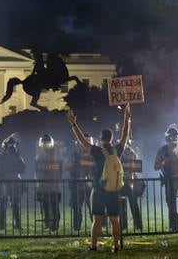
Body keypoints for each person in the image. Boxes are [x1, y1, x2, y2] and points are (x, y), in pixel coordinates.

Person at [67, 104, 131, 253]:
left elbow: (82, 140)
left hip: (99, 189)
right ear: (111, 138)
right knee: (114, 219)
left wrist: (73, 124)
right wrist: (127, 119)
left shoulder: (96, 151)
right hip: (114, 190)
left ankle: (93, 246)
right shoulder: (117, 151)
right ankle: (116, 247)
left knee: (97, 220)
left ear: (101, 139)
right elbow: (125, 136)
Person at [0, 133, 26, 230]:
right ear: (5, 147)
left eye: (14, 145)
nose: (12, 147)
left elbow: (23, 168)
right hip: (3, 183)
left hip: (14, 183)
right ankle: (1, 225)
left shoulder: (17, 156)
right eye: (10, 146)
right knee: (2, 204)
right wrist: (2, 171)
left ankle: (17, 225)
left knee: (15, 204)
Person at [34, 134, 63, 232]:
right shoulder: (39, 157)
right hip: (43, 186)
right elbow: (37, 172)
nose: (45, 146)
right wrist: (37, 186)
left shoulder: (56, 155)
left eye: (47, 143)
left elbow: (59, 171)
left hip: (54, 186)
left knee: (55, 206)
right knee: (45, 206)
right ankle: (47, 223)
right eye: (44, 144)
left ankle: (55, 224)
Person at [67, 135, 94, 231]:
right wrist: (76, 174)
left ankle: (96, 226)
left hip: (90, 185)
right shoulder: (75, 154)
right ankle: (77, 227)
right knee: (77, 207)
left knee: (92, 208)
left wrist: (92, 176)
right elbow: (68, 167)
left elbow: (97, 168)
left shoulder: (93, 154)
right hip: (77, 185)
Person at [120, 141, 144, 231]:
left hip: (130, 182)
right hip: (121, 182)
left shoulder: (132, 152)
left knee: (134, 204)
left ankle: (138, 224)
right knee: (122, 205)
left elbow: (136, 166)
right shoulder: (119, 152)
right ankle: (123, 225)